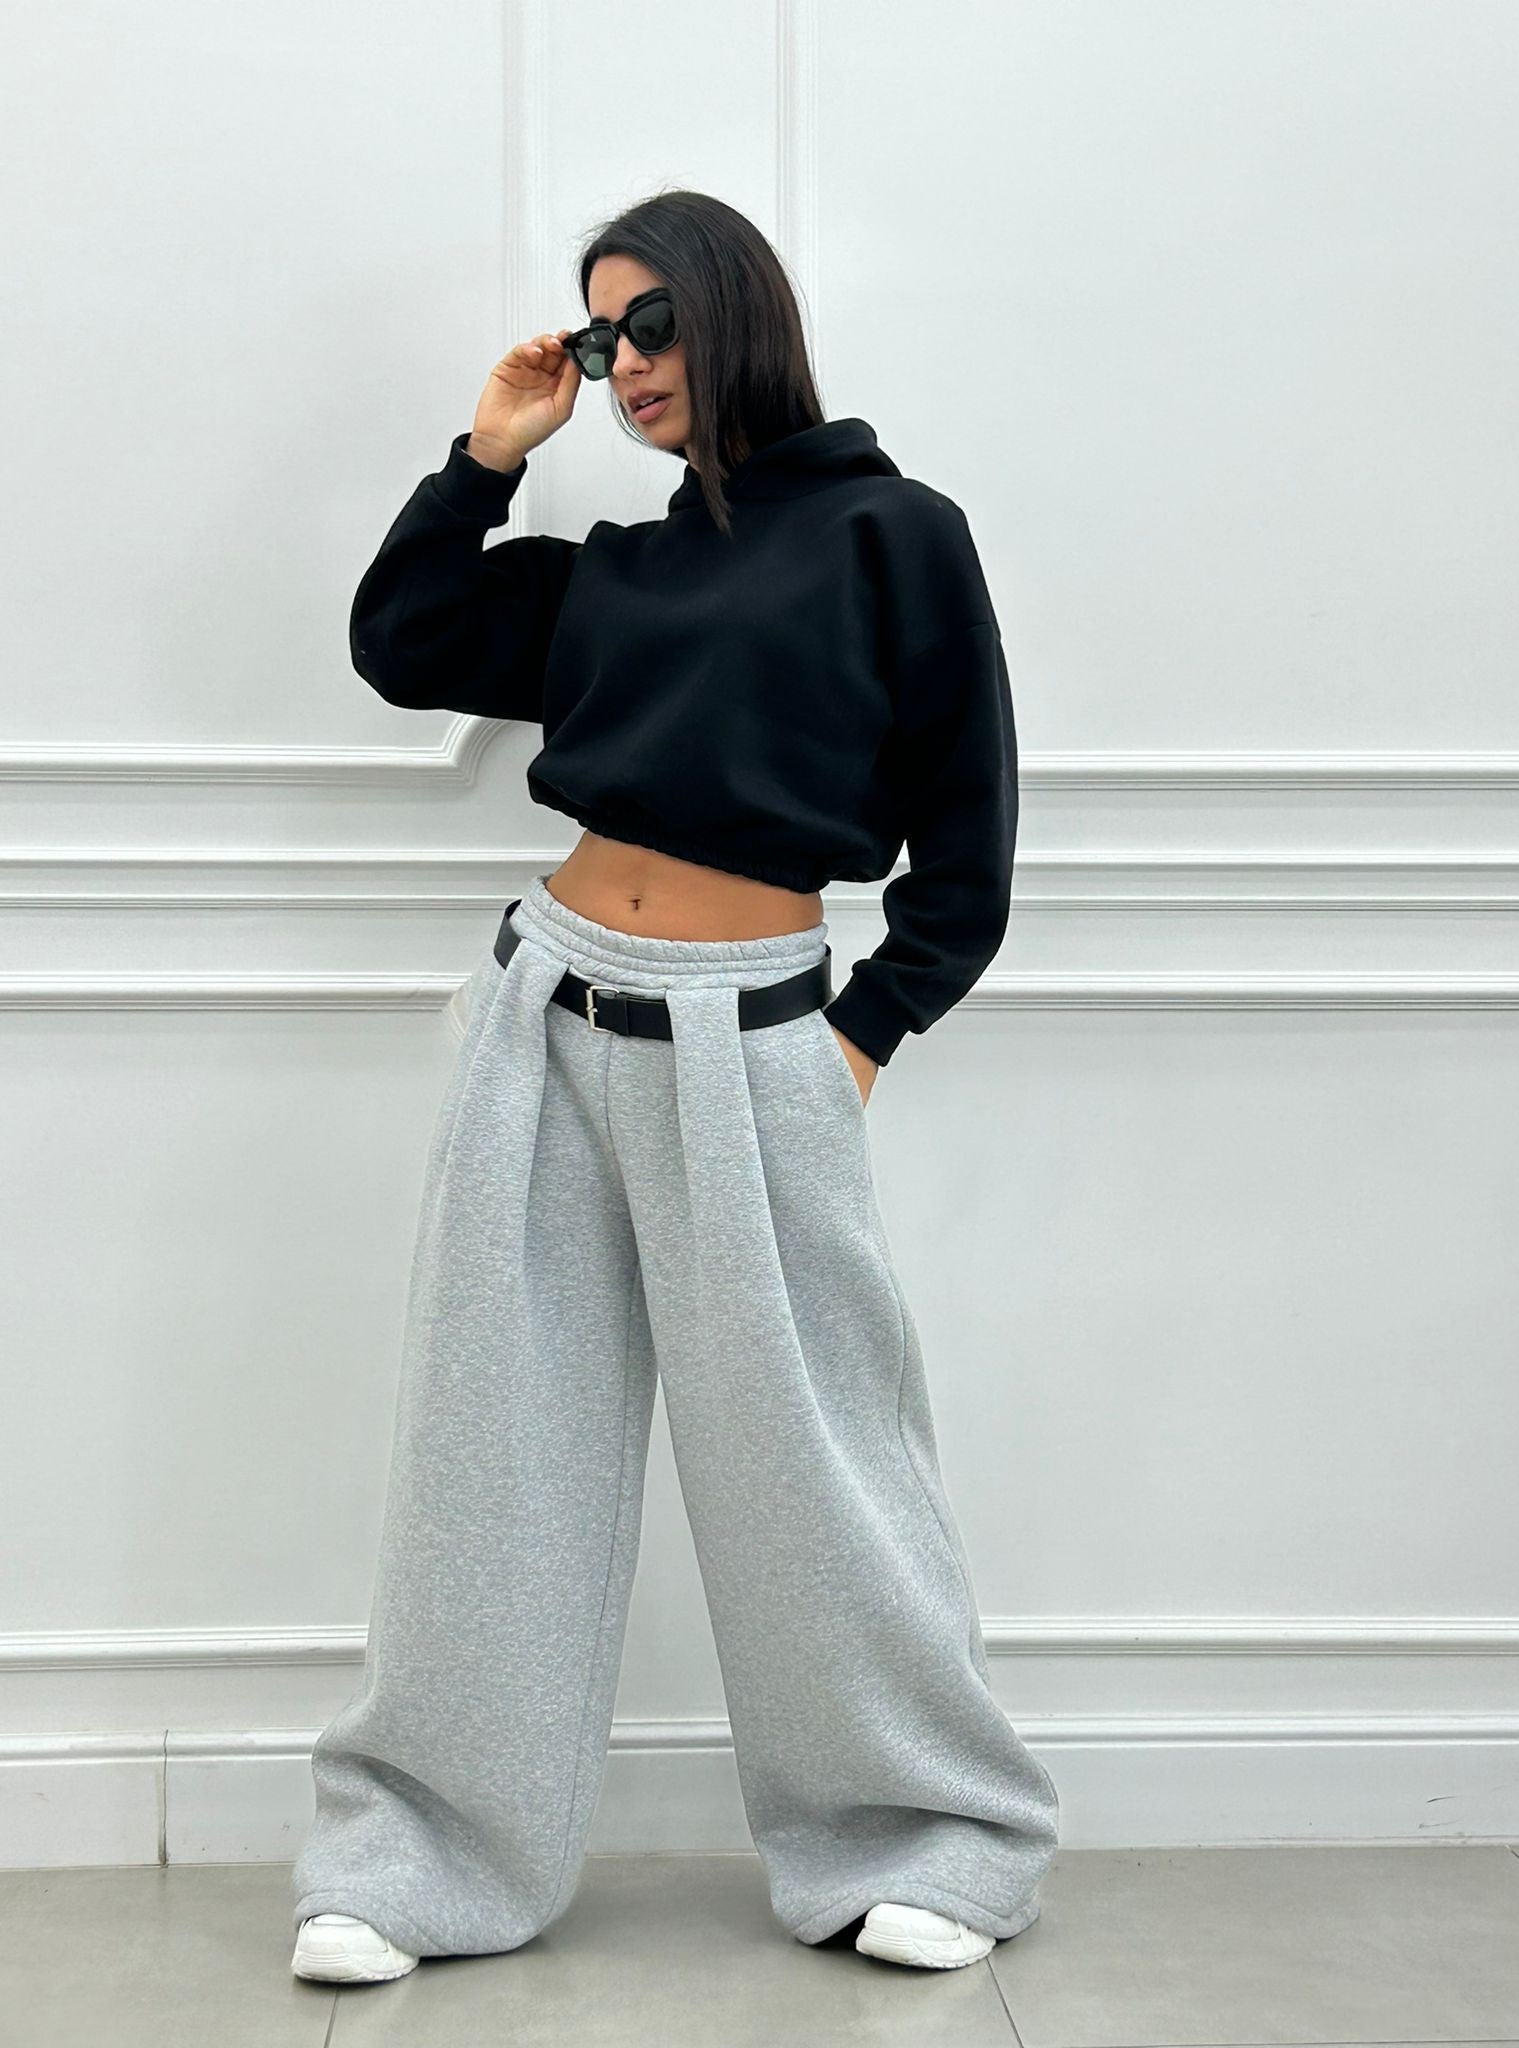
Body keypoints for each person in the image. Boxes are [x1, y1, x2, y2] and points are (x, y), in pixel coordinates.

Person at [289, 187, 1058, 1984]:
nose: (624, 363)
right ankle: (422, 1855)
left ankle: (928, 1829)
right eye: (599, 334)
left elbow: (969, 847)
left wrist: (858, 1036)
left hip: (755, 1036)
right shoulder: (615, 572)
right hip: (544, 1012)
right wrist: (489, 455)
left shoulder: (896, 535)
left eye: (651, 325)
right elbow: (403, 644)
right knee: (492, 1450)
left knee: (816, 1463)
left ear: (737, 312)